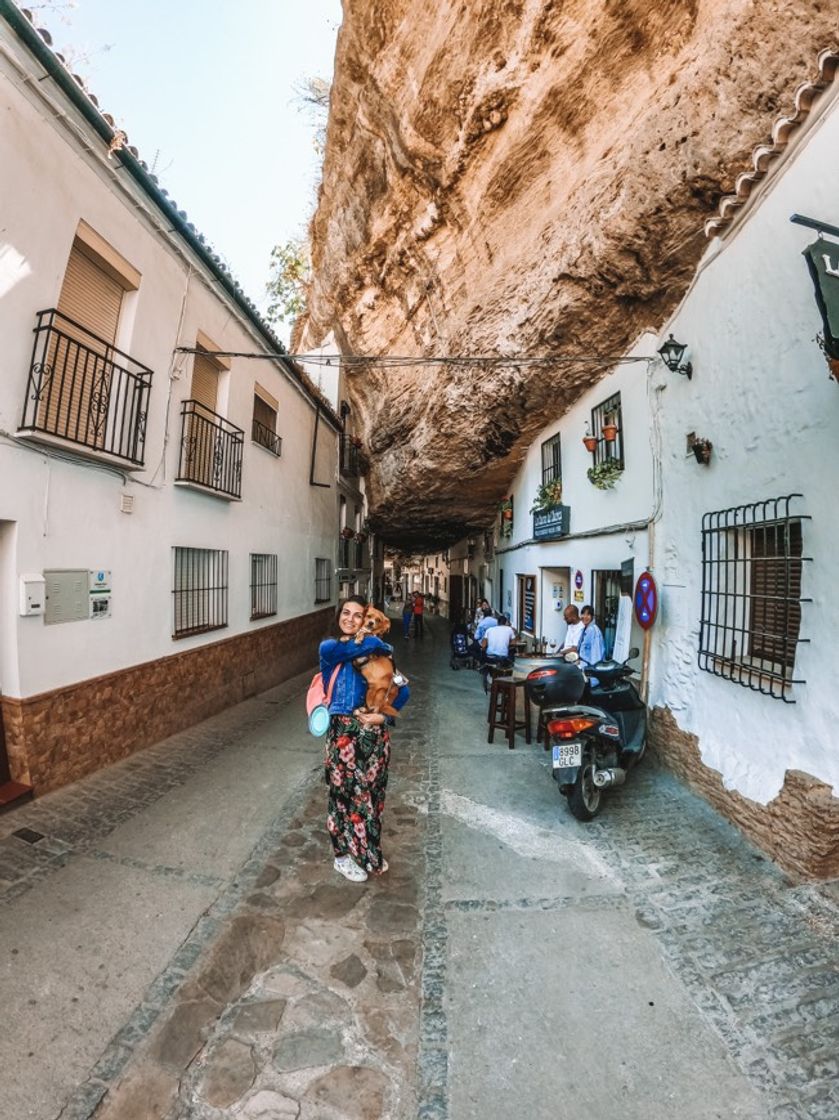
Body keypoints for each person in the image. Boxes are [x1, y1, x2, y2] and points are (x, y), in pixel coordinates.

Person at [319, 596, 410, 883]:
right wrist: (382, 642)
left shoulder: (375, 654)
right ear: (338, 616)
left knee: (373, 798)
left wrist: (384, 717)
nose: (351, 618)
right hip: (344, 736)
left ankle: (370, 852)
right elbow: (369, 644)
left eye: (358, 615)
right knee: (343, 799)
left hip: (374, 735)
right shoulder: (331, 648)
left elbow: (402, 691)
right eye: (346, 613)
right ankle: (342, 857)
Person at [578, 604, 606, 687]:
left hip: (590, 671)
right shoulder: (585, 629)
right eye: (583, 614)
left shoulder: (594, 630)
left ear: (592, 617)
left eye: (588, 614)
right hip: (584, 668)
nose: (585, 617)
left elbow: (596, 653)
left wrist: (594, 672)